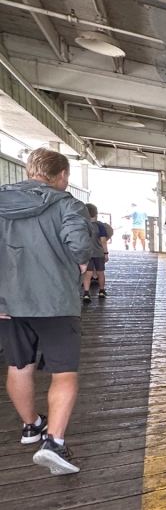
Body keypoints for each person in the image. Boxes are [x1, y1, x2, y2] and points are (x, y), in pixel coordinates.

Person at [0, 147, 92, 474]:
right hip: (55, 302)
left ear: (30, 170)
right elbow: (81, 247)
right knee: (63, 372)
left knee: (18, 366)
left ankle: (30, 426)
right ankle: (53, 442)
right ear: (62, 175)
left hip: (9, 303)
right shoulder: (67, 204)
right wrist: (77, 267)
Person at [82, 203, 109, 302]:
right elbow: (103, 241)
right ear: (96, 213)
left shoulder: (83, 225)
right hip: (98, 253)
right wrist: (106, 253)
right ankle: (101, 291)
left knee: (87, 274)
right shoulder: (100, 226)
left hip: (87, 253)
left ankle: (86, 293)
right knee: (100, 273)